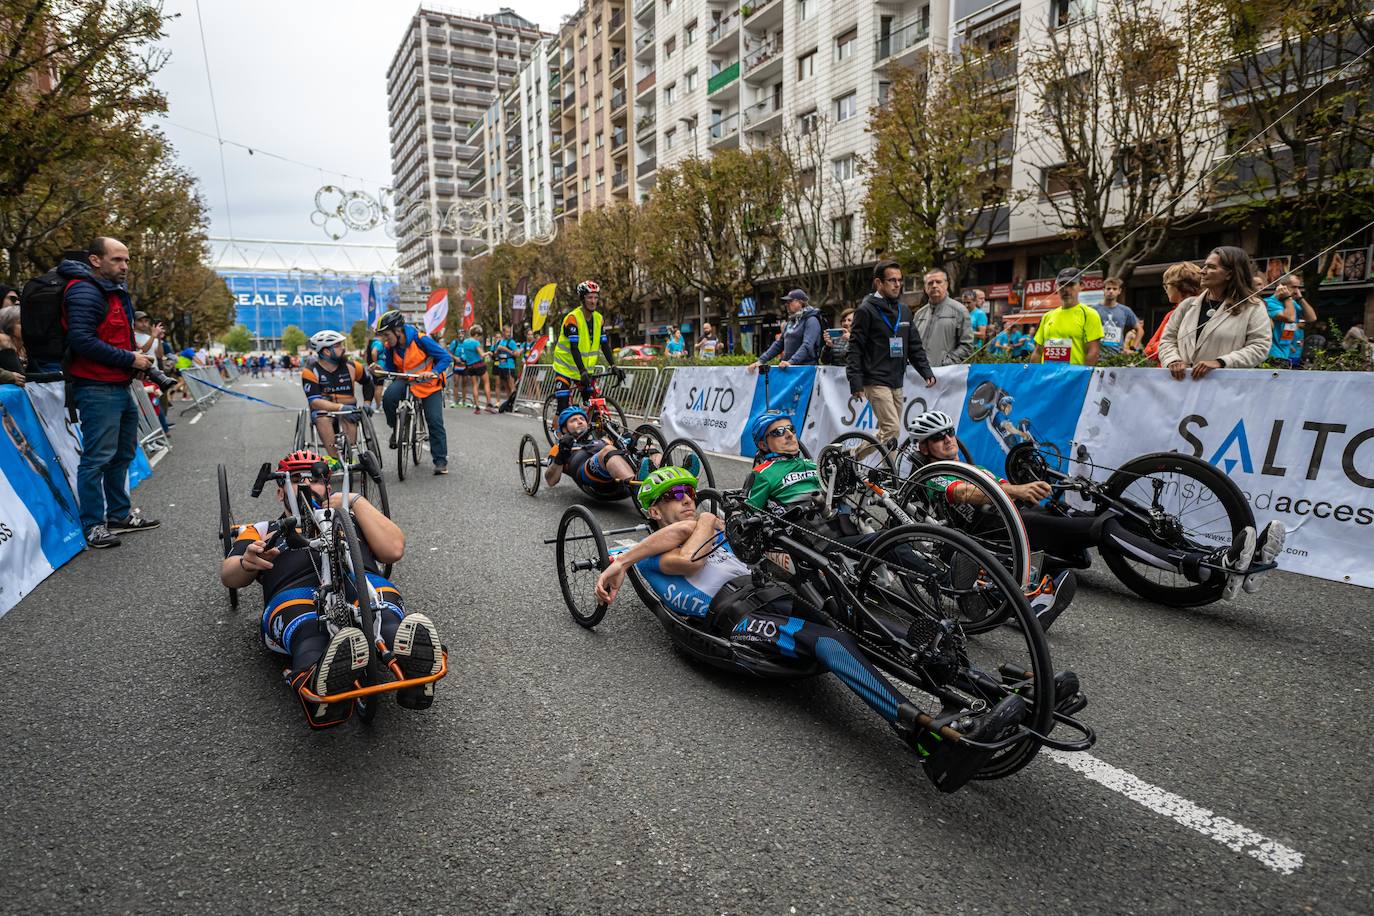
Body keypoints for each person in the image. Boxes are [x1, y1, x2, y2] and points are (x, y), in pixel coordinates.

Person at [593, 465, 1029, 794]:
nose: (686, 499)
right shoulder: (656, 552)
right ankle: (922, 733)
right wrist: (689, 527)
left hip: (771, 596)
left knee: (863, 619)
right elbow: (688, 557)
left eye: (689, 491)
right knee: (829, 640)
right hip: (740, 620)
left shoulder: (705, 530)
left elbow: (756, 552)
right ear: (654, 510)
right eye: (673, 495)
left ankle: (983, 686)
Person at [907, 409, 1284, 600]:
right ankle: (1202, 567)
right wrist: (1017, 493)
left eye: (950, 433)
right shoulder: (933, 474)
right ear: (924, 447)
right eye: (938, 438)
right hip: (1006, 529)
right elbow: (966, 493)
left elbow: (991, 482)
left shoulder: (961, 461)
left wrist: (1022, 486)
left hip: (1017, 517)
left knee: (1107, 517)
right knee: (1101, 528)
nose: (948, 440)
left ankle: (1226, 557)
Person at [219, 449, 444, 728]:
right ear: (280, 492)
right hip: (295, 595)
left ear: (328, 484)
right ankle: (320, 686)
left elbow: (393, 550)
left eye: (314, 478)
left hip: (361, 584)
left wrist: (354, 501)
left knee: (384, 615)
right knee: (308, 630)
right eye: (295, 478)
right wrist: (246, 561)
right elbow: (229, 575)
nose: (305, 485)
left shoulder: (351, 516)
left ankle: (413, 673)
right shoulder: (263, 529)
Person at [59, 237, 160, 549]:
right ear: (95, 260)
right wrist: (131, 358)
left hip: (119, 384)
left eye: (126, 260)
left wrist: (134, 361)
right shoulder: (84, 291)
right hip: (95, 387)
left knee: (122, 454)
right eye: (117, 260)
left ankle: (119, 514)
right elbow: (82, 340)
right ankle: (93, 525)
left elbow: (113, 339)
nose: (125, 266)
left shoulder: (113, 291)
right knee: (97, 459)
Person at [846, 261, 936, 450]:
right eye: (892, 280)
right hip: (875, 380)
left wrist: (926, 371)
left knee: (888, 433)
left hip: (896, 380)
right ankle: (885, 473)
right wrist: (855, 382)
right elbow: (855, 348)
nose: (897, 284)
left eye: (899, 280)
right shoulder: (865, 310)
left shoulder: (904, 310)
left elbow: (914, 345)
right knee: (892, 428)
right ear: (879, 283)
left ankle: (853, 457)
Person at [1159, 247, 1270, 379]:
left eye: (1211, 267)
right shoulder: (1186, 305)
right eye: (1204, 266)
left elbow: (1260, 346)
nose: (1202, 271)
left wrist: (1221, 362)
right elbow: (1167, 339)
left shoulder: (1253, 307)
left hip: (1224, 387)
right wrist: (1173, 360)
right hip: (1183, 386)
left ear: (1229, 274)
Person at [375, 309, 452, 475]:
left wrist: (434, 372)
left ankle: (440, 460)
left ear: (398, 330)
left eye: (387, 334)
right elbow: (390, 369)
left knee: (434, 420)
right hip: (405, 380)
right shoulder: (390, 347)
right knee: (388, 397)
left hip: (429, 383)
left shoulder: (421, 339)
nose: (385, 339)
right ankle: (396, 429)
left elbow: (445, 357)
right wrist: (381, 370)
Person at [543, 405, 665, 499]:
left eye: (582, 418)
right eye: (573, 420)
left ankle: (669, 483)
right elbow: (551, 480)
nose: (580, 421)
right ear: (564, 428)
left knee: (651, 450)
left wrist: (629, 444)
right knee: (608, 450)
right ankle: (639, 488)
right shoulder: (560, 446)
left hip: (619, 482)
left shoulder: (602, 439)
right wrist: (561, 456)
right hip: (594, 482)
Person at [301, 329, 374, 462]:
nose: (343, 348)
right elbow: (314, 402)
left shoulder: (353, 366)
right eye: (338, 346)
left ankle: (349, 456)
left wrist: (367, 403)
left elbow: (368, 383)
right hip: (324, 411)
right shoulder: (310, 371)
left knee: (351, 416)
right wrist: (340, 408)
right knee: (322, 418)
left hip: (348, 410)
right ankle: (334, 459)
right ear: (326, 351)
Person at [551, 280, 621, 411]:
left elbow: (604, 345)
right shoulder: (573, 318)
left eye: (595, 297)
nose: (593, 301)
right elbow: (574, 347)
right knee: (563, 407)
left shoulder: (599, 319)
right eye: (589, 297)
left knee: (591, 404)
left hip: (584, 370)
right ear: (582, 299)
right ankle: (558, 431)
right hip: (565, 367)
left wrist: (613, 365)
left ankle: (585, 427)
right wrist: (582, 371)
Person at [1032, 268, 1103, 366]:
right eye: (1062, 285)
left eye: (1071, 284)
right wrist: (1034, 376)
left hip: (1073, 378)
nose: (1065, 289)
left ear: (1081, 285)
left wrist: (1082, 378)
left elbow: (1093, 352)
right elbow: (1038, 352)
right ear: (1056, 287)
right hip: (1048, 378)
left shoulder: (1089, 314)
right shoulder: (1047, 316)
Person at [912, 269, 974, 367]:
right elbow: (913, 344)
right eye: (930, 283)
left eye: (938, 282)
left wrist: (945, 363)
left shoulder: (960, 311)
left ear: (946, 285)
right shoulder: (919, 314)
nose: (934, 285)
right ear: (925, 287)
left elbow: (967, 346)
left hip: (945, 376)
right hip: (920, 374)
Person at [749, 289, 823, 371]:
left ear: (800, 302)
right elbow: (779, 344)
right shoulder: (792, 321)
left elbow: (807, 345)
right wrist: (761, 361)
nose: (786, 304)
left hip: (805, 370)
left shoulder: (812, 320)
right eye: (786, 302)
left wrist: (791, 362)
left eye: (790, 301)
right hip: (788, 368)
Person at [1145, 262, 1202, 366]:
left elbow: (1150, 350)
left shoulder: (1173, 314)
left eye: (1166, 285)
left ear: (1178, 286)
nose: (1166, 290)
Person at [1093, 277, 1139, 356]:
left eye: (1114, 289)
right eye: (1108, 288)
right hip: (1097, 356)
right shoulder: (1094, 310)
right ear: (1103, 290)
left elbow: (1140, 330)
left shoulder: (1125, 310)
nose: (1111, 291)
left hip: (1117, 357)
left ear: (1119, 291)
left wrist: (1132, 347)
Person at [454, 324, 494, 413]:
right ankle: (489, 404)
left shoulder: (465, 342)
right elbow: (481, 354)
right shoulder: (475, 342)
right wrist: (489, 353)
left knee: (475, 386)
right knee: (486, 383)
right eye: (479, 336)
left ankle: (477, 407)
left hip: (470, 366)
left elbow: (465, 355)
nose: (479, 338)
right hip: (479, 364)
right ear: (476, 334)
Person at [1280, 274, 1318, 367]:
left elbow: (1312, 318)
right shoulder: (1275, 303)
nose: (1297, 290)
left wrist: (1300, 298)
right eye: (1294, 287)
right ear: (1282, 286)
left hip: (1296, 352)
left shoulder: (1294, 303)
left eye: (1298, 287)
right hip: (1283, 353)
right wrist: (1288, 344)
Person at [492, 325, 519, 401]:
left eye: (509, 332)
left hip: (509, 366)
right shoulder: (499, 342)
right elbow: (494, 355)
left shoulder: (511, 342)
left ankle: (514, 403)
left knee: (511, 386)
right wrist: (497, 350)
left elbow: (517, 354)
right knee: (506, 387)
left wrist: (505, 349)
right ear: (503, 332)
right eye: (507, 332)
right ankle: (508, 402)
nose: (508, 334)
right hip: (501, 366)